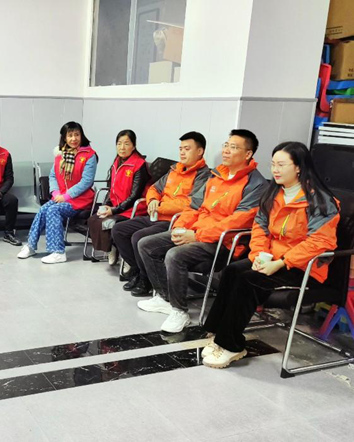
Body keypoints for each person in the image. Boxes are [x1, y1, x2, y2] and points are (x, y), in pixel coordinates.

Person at [202, 142, 339, 368]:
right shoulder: (274, 193)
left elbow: (320, 242)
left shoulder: (320, 201)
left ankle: (231, 345)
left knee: (247, 281)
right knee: (232, 271)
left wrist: (282, 262)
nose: (275, 170)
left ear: (298, 167)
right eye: (273, 164)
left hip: (303, 267)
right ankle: (217, 333)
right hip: (272, 258)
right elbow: (260, 227)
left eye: (281, 165)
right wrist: (258, 254)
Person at [137, 129, 267, 333]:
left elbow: (237, 222)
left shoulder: (256, 184)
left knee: (174, 255)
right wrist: (181, 227)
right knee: (146, 244)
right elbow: (194, 207)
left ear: (248, 154)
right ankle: (165, 297)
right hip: (197, 232)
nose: (226, 151)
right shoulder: (216, 175)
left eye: (233, 147)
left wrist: (196, 235)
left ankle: (180, 311)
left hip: (223, 242)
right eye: (226, 145)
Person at [112, 132, 210, 296]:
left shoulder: (203, 176)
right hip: (155, 215)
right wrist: (152, 201)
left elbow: (190, 204)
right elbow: (154, 188)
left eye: (187, 149)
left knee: (138, 237)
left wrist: (160, 207)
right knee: (119, 230)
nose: (182, 153)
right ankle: (138, 271)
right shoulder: (175, 170)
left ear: (200, 151)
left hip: (174, 222)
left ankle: (146, 280)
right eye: (180, 149)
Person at [17, 121, 97, 264]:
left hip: (81, 200)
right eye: (70, 135)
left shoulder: (90, 155)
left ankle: (58, 252)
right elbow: (53, 176)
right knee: (43, 209)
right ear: (64, 138)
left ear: (82, 136)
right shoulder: (61, 155)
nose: (74, 139)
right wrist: (55, 193)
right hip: (61, 197)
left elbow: (86, 182)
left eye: (77, 135)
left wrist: (66, 196)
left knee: (53, 210)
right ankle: (31, 245)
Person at [87, 130, 150, 261]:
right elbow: (111, 188)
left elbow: (134, 196)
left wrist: (114, 210)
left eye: (126, 144)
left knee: (108, 223)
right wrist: (106, 205)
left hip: (132, 209)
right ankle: (111, 248)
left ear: (133, 146)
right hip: (117, 206)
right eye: (119, 143)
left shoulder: (139, 165)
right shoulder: (116, 162)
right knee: (94, 219)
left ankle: (125, 257)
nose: (122, 147)